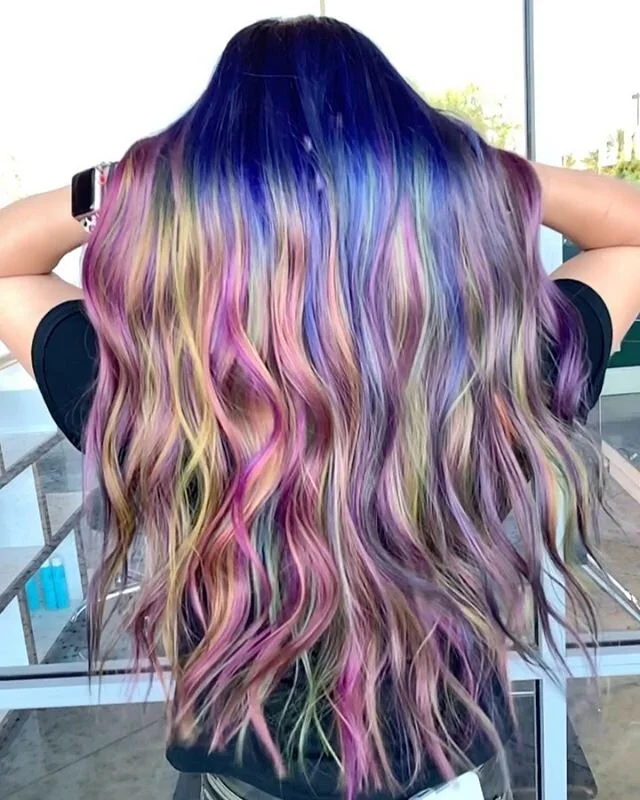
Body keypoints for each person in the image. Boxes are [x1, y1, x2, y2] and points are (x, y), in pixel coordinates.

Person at [0, 16, 639, 800]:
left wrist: (123, 184)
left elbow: (7, 267)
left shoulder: (153, 392)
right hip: (434, 779)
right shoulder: (495, 372)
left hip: (240, 782)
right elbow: (631, 237)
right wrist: (469, 170)